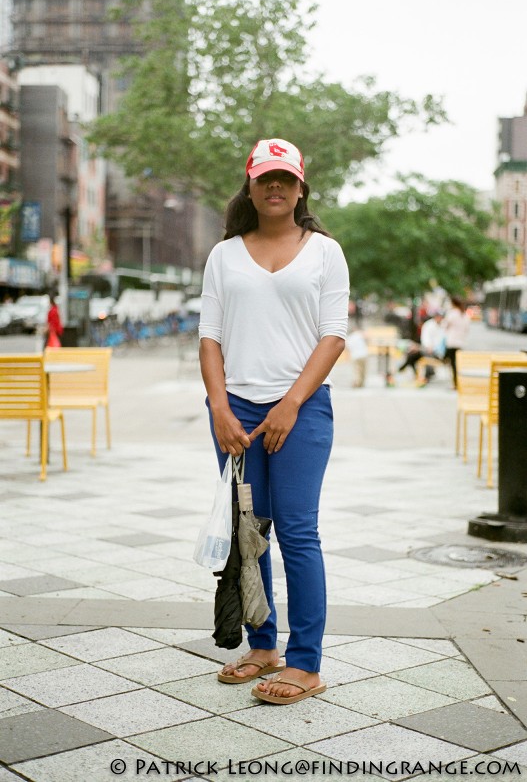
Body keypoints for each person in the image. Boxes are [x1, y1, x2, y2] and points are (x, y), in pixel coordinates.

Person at [198, 138, 349, 705]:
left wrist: (290, 403)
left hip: (302, 410)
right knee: (248, 532)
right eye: (266, 178)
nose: (276, 186)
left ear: (301, 186)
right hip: (235, 412)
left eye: (286, 177)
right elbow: (209, 337)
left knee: (298, 531)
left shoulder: (325, 252)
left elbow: (333, 335)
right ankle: (263, 647)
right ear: (252, 186)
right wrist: (219, 408)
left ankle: (306, 663)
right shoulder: (224, 254)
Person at [397, 312, 445, 383]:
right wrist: (428, 347)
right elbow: (426, 340)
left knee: (414, 354)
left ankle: (406, 367)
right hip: (428, 349)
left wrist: (430, 347)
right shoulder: (429, 325)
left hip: (436, 351)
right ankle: (420, 374)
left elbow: (441, 341)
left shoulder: (443, 325)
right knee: (412, 354)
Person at [443, 296, 470, 388]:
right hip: (460, 342)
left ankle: (455, 383)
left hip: (451, 342)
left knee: (452, 363)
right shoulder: (465, 315)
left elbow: (445, 326)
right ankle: (456, 382)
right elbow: (466, 329)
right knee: (457, 363)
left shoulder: (452, 314)